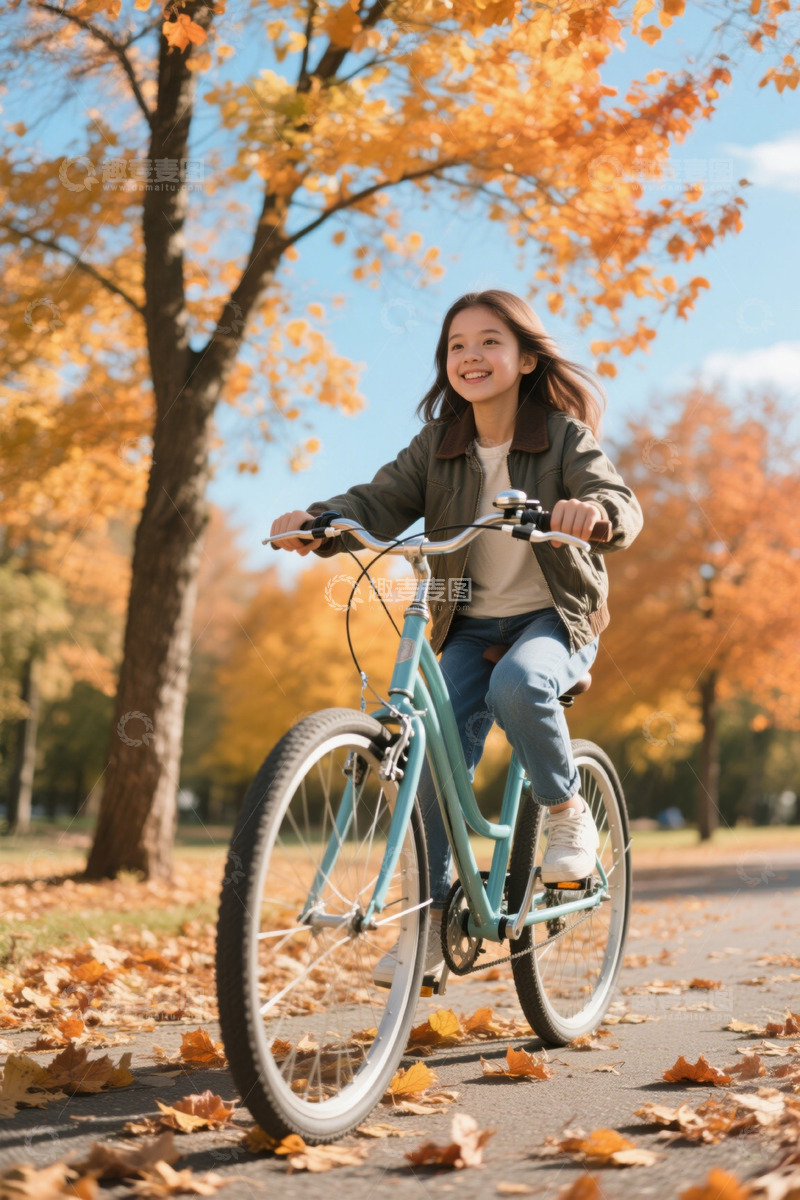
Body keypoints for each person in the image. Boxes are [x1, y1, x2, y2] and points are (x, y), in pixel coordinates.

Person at [270, 289, 643, 986]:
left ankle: (565, 816)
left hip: (555, 619)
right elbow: (377, 501)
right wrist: (322, 520)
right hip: (466, 620)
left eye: (489, 342)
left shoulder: (563, 437)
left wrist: (592, 514)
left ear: (527, 358)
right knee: (422, 758)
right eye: (456, 346)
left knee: (521, 682)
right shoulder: (437, 446)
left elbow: (619, 502)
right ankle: (435, 920)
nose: (471, 356)